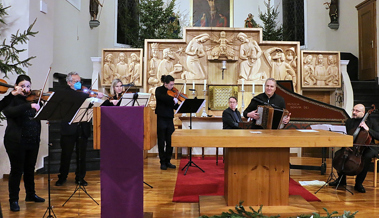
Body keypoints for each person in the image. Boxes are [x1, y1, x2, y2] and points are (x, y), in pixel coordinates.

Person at [1, 75, 45, 212]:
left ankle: (30, 195)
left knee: (30, 169)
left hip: (32, 140)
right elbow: (8, 112)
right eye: (23, 86)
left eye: (28, 86)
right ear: (17, 86)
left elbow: (41, 113)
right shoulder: (13, 99)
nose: (26, 89)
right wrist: (27, 103)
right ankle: (13, 199)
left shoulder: (33, 99)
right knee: (16, 170)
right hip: (16, 141)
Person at [55, 72, 104, 186]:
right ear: (69, 83)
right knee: (66, 154)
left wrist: (97, 98)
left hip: (82, 127)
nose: (79, 84)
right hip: (69, 128)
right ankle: (62, 177)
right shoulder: (64, 94)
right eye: (76, 81)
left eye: (79, 81)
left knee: (82, 155)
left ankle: (80, 177)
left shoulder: (85, 94)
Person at [329, 104, 379, 193]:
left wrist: (368, 129)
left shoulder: (372, 122)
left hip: (368, 146)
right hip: (353, 144)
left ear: (363, 113)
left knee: (366, 157)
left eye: (357, 111)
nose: (354, 112)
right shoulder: (349, 122)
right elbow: (348, 135)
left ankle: (359, 184)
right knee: (339, 154)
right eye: (353, 110)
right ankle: (341, 180)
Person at [155, 75, 179, 170]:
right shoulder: (159, 90)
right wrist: (172, 99)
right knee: (161, 141)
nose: (172, 87)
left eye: (173, 84)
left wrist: (178, 104)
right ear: (165, 83)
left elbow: (174, 106)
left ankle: (168, 161)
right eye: (170, 84)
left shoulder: (172, 93)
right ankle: (162, 162)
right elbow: (161, 98)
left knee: (170, 141)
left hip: (169, 119)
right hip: (161, 118)